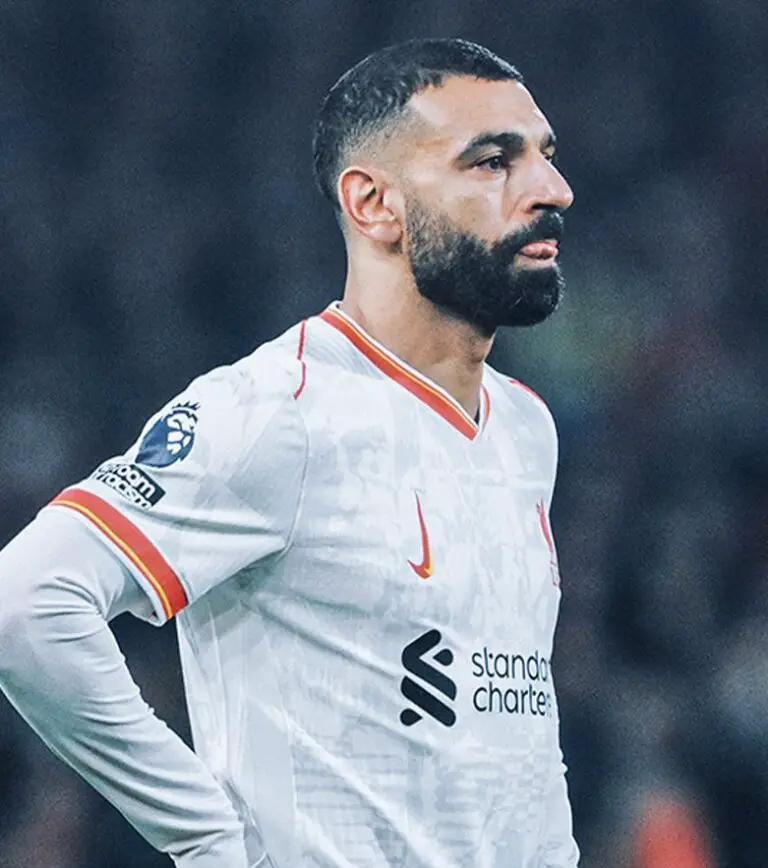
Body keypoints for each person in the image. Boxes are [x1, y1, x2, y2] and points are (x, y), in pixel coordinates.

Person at [0, 37, 577, 868]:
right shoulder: (281, 410)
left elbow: (515, 729)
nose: (552, 190)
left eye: (546, 156)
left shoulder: (526, 428)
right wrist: (203, 834)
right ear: (374, 204)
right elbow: (27, 604)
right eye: (493, 162)